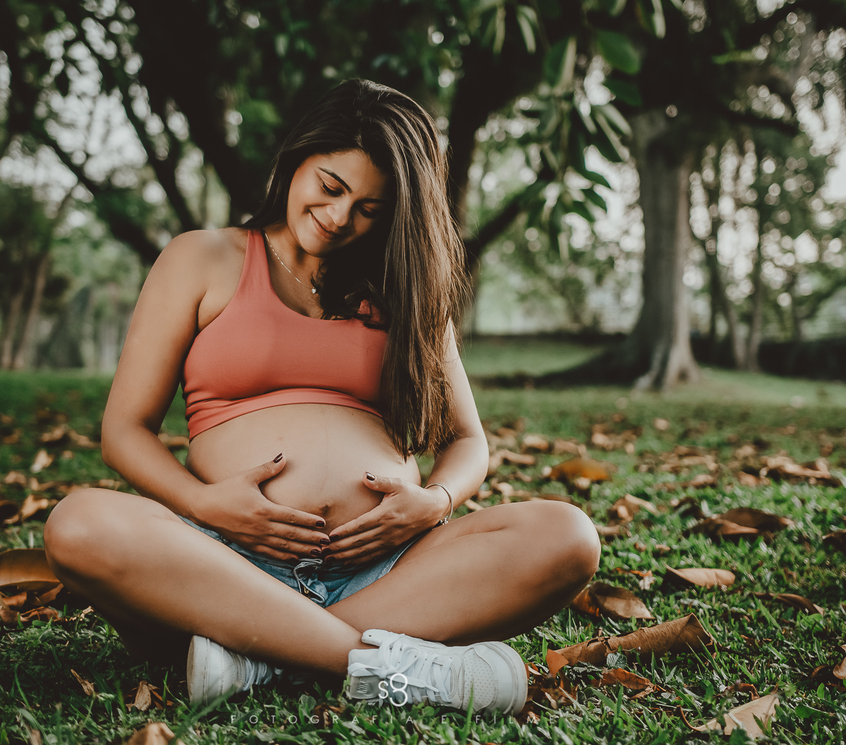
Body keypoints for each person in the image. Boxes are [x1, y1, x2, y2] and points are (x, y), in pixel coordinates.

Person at [43, 79, 601, 715]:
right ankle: (384, 666)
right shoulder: (203, 257)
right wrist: (205, 503)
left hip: (390, 568)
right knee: (81, 523)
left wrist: (433, 502)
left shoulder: (406, 290)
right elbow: (125, 429)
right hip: (226, 563)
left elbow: (468, 440)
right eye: (331, 186)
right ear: (296, 159)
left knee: (568, 536)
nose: (339, 217)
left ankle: (257, 656)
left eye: (369, 208)